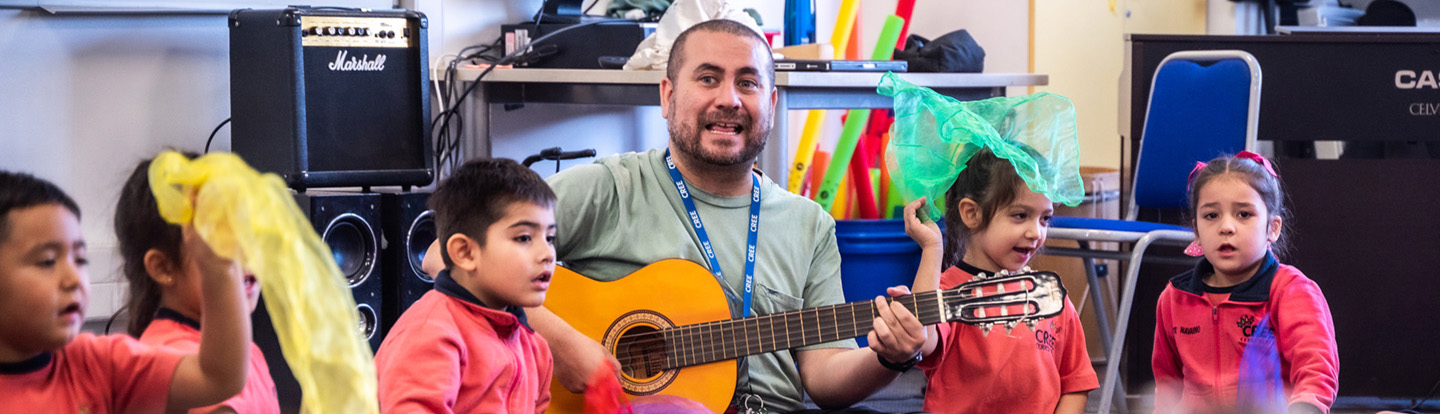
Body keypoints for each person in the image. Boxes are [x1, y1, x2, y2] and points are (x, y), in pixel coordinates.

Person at [529, 19, 928, 413]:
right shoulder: (607, 188)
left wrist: (890, 358)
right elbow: (488, 266)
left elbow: (826, 376)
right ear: (667, 96)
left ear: (771, 104)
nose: (729, 99)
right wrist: (561, 343)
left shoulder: (810, 224)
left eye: (748, 83)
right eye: (708, 79)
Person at [0, 170, 250, 412]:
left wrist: (219, 268)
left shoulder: (98, 363)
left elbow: (218, 378)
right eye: (47, 262)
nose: (73, 279)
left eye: (80, 259)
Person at [901, 149, 1098, 414]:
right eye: (1020, 215)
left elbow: (1075, 383)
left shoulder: (1050, 297)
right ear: (972, 213)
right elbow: (923, 342)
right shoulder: (945, 290)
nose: (1036, 232)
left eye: (1045, 218)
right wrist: (932, 248)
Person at [1152, 152, 1338, 414]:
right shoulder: (1175, 298)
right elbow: (1167, 384)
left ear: (1272, 228)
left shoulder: (1291, 291)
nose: (1226, 227)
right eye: (1211, 215)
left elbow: (1316, 371)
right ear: (1196, 231)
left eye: (1243, 214)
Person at [376, 158, 556, 413]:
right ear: (465, 253)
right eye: (524, 237)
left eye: (550, 238)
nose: (547, 254)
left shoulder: (536, 349)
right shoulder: (431, 335)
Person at [112, 156, 279, 413]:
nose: (246, 253)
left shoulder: (247, 352)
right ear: (163, 267)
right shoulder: (173, 359)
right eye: (221, 239)